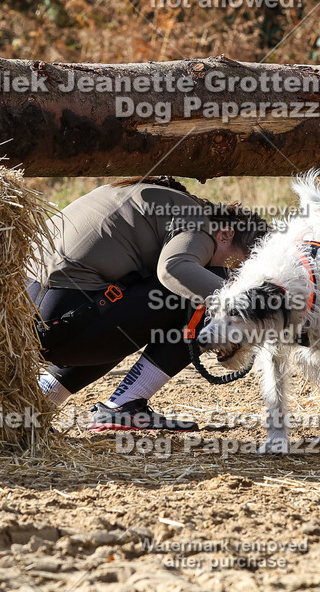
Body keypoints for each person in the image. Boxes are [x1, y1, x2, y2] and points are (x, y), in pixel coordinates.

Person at [25, 175, 268, 432]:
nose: (232, 270)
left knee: (152, 292)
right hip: (60, 320)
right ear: (226, 234)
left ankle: (40, 400)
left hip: (28, 318)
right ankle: (124, 407)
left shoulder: (139, 197)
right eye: (235, 264)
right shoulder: (200, 222)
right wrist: (250, 307)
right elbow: (173, 270)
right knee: (203, 287)